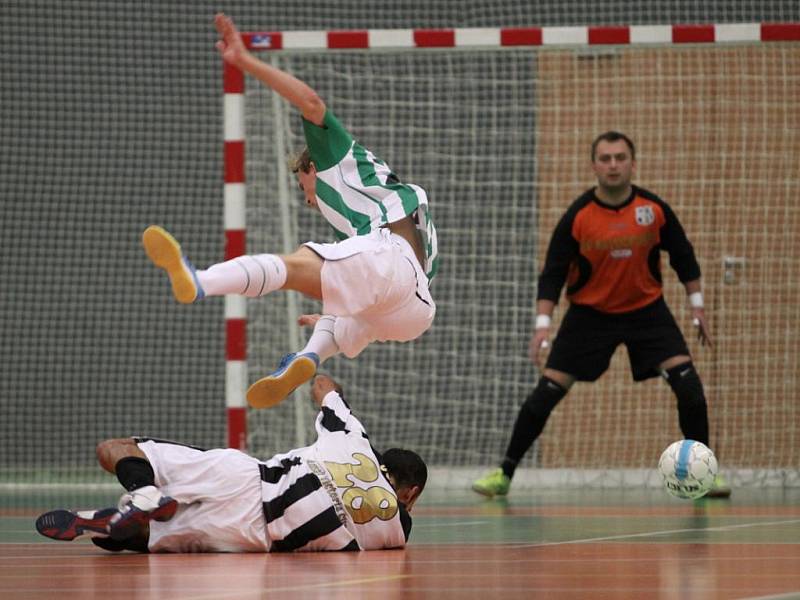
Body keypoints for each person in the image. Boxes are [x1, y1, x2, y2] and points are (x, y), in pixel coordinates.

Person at [143, 13, 437, 409]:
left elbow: (311, 102)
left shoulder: (335, 160)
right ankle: (309, 356)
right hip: (415, 313)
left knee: (303, 261)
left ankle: (201, 281)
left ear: (311, 167)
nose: (309, 200)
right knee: (337, 306)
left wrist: (246, 62)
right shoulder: (373, 210)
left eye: (304, 188)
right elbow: (386, 288)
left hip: (395, 271)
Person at [472, 131, 730, 499]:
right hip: (589, 317)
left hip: (647, 313)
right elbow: (553, 274)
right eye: (605, 158)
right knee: (544, 394)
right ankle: (504, 473)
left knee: (689, 388)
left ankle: (706, 476)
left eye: (620, 158)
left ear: (632, 164)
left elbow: (683, 256)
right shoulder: (579, 216)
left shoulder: (653, 209)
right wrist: (542, 326)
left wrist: (697, 305)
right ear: (594, 165)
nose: (613, 165)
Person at [35, 374, 427, 553]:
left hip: (244, 476)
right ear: (409, 493)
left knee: (116, 448)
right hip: (254, 534)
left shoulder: (351, 437)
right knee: (141, 540)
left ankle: (142, 493)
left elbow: (324, 386)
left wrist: (308, 362)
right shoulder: (399, 526)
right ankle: (115, 525)